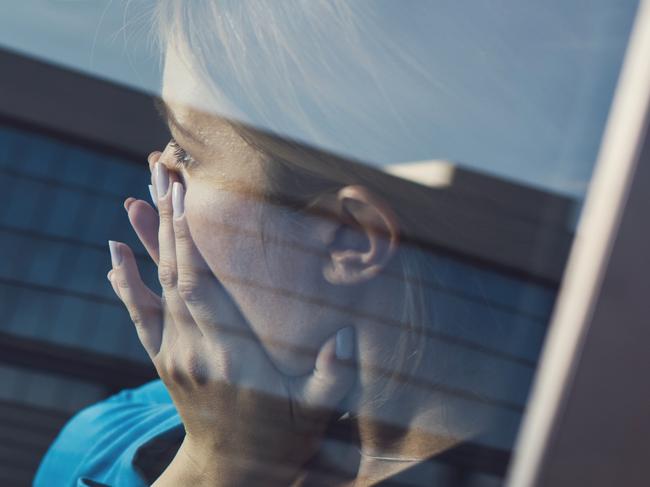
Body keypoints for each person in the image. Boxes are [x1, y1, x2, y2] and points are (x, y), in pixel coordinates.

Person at [35, 2, 522, 485]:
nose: (158, 173)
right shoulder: (111, 435)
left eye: (187, 150)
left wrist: (216, 469)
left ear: (350, 240)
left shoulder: (103, 445)